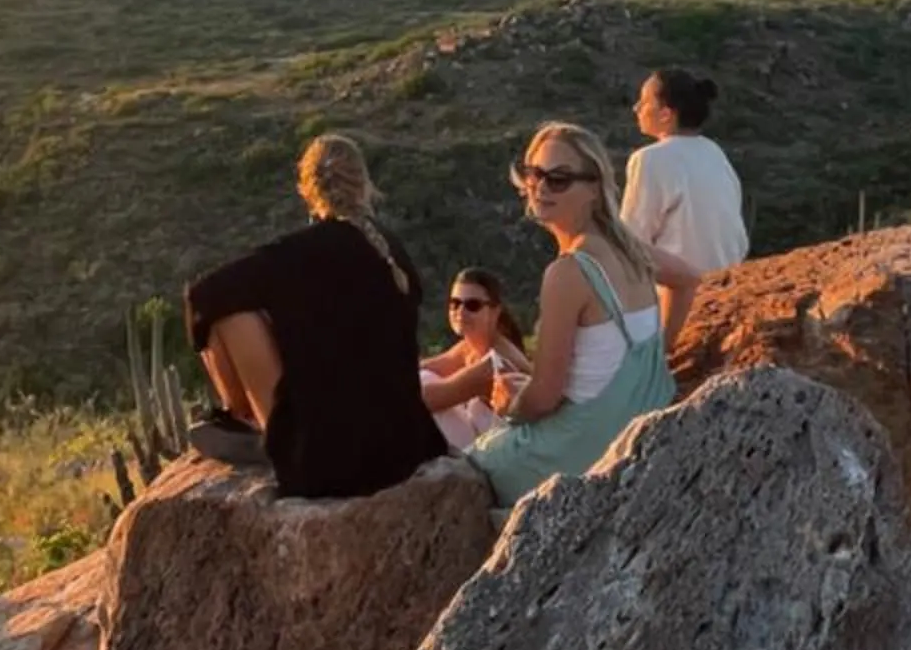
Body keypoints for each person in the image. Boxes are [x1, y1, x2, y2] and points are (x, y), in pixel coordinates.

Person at [184, 133, 444, 500]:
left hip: (325, 464)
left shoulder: (295, 256)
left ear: (306, 190)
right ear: (366, 185)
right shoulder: (391, 251)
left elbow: (202, 296)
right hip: (404, 448)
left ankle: (239, 418)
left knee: (229, 312)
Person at [469, 123, 674, 507]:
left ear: (594, 189)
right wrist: (660, 355)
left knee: (471, 463)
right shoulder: (632, 253)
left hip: (579, 453)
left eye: (558, 179)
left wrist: (509, 405)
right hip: (631, 432)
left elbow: (544, 398)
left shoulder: (569, 272)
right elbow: (687, 279)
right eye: (534, 174)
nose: (541, 188)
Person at [621, 67, 748, 344]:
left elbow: (630, 242)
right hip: (727, 290)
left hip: (676, 304)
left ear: (666, 114)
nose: (636, 108)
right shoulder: (715, 153)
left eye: (644, 102)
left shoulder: (650, 160)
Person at [419, 267, 530, 452]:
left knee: (420, 388)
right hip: (481, 442)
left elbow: (429, 399)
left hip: (500, 453)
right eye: (455, 303)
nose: (460, 312)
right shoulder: (470, 346)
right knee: (423, 376)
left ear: (495, 312)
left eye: (472, 305)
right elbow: (425, 367)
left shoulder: (497, 360)